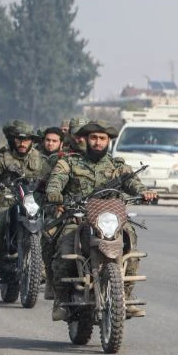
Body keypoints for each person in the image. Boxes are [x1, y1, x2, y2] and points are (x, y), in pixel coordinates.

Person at [44, 121, 157, 321]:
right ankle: (60, 300)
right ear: (86, 140)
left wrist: (144, 193)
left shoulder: (118, 166)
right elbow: (55, 182)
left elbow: (133, 183)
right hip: (78, 218)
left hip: (111, 220)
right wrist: (54, 194)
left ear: (108, 141)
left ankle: (125, 297)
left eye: (102, 139)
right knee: (64, 248)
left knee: (131, 247)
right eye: (94, 138)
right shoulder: (69, 163)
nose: (98, 142)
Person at [0, 120, 47, 279]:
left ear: (32, 141)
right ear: (12, 139)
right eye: (19, 139)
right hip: (6, 202)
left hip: (33, 203)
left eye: (26, 139)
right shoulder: (2, 157)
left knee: (50, 224)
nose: (22, 143)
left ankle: (42, 266)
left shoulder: (40, 159)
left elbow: (52, 178)